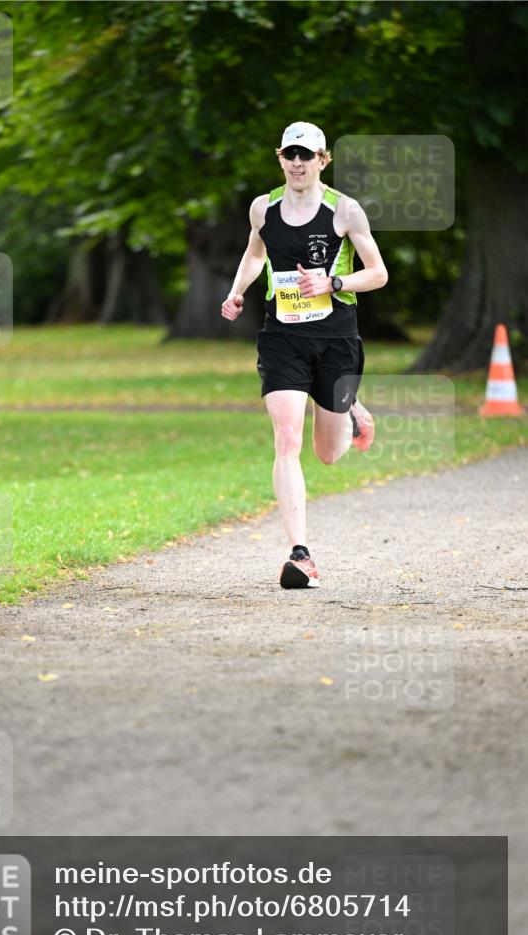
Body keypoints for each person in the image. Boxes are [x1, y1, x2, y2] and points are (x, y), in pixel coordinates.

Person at [221, 122, 388, 589]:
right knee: (287, 439)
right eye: (290, 154)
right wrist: (237, 291)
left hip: (335, 338)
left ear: (322, 160)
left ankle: (350, 411)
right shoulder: (263, 208)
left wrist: (333, 283)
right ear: (280, 158)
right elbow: (255, 255)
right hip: (283, 338)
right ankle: (300, 555)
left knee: (328, 454)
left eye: (306, 155)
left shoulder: (344, 210)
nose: (297, 163)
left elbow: (378, 273)